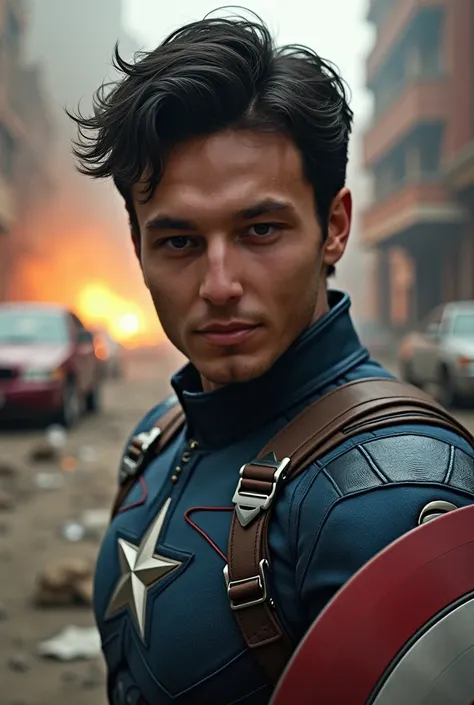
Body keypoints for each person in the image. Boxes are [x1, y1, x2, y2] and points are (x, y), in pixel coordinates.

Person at [71, 12, 474, 705]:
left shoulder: (388, 496)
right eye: (178, 241)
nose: (219, 284)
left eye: (261, 229)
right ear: (137, 247)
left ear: (334, 227)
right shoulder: (162, 433)